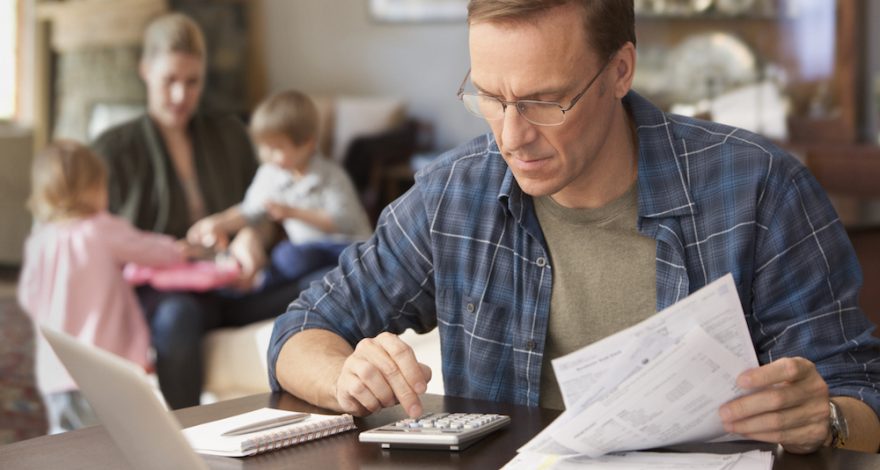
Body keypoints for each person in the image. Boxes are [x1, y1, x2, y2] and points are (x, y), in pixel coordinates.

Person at [268, 0, 880, 454]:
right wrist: (344, 375)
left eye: (544, 101)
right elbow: (302, 330)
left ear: (620, 71)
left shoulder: (760, 188)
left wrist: (825, 418)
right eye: (489, 96)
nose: (510, 136)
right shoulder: (455, 194)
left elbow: (863, 396)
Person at [91, 13, 300, 409]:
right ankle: (187, 442)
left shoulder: (230, 136)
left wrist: (251, 237)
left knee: (328, 276)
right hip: (163, 294)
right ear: (145, 70)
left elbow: (265, 210)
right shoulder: (113, 151)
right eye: (169, 80)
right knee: (178, 318)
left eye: (192, 82)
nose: (180, 96)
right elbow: (97, 243)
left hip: (233, 285)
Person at [17, 141, 188, 434]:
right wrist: (180, 249)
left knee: (68, 447)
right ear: (96, 188)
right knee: (115, 444)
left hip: (56, 372)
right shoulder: (100, 228)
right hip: (104, 370)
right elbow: (148, 249)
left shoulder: (39, 241)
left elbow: (28, 297)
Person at [187, 90, 372, 290]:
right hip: (308, 253)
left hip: (345, 248)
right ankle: (250, 285)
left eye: (277, 148)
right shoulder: (270, 174)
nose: (267, 155)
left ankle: (264, 284)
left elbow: (342, 221)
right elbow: (249, 211)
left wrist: (292, 212)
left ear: (307, 144)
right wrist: (218, 223)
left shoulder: (331, 176)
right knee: (288, 259)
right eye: (263, 147)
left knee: (289, 256)